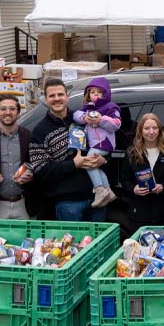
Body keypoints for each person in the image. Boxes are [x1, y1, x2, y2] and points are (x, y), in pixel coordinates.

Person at [29, 78, 108, 222]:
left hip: (96, 196)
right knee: (73, 244)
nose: (57, 99)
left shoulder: (83, 119)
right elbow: (40, 170)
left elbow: (105, 142)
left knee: (99, 243)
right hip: (68, 203)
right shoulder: (39, 131)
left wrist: (103, 160)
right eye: (52, 96)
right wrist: (73, 164)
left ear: (67, 97)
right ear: (45, 100)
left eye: (60, 94)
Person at [119, 113, 164, 232]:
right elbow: (124, 180)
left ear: (160, 130)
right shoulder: (132, 153)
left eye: (155, 128)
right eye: (147, 128)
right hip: (139, 212)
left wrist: (163, 187)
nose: (151, 132)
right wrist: (133, 189)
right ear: (140, 130)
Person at [72, 77, 121, 208]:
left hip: (105, 143)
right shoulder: (88, 107)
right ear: (88, 94)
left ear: (105, 94)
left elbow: (116, 124)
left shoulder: (110, 107)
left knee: (88, 162)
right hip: (95, 143)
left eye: (99, 92)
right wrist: (84, 118)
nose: (96, 95)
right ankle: (107, 190)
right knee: (95, 165)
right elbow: (76, 115)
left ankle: (99, 189)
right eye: (93, 92)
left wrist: (101, 120)